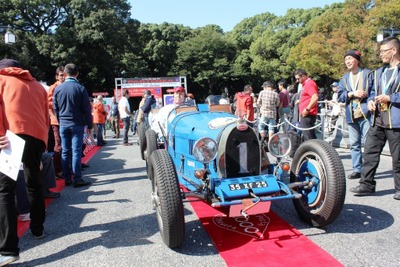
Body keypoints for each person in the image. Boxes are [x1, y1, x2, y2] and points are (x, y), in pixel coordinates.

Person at [0, 59, 50, 265]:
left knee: (5, 189)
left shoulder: (1, 79)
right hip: (37, 137)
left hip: (12, 135)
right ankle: (37, 229)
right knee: (35, 182)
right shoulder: (38, 86)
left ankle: (8, 249)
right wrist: (43, 146)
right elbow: (45, 117)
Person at [350, 37, 400, 200]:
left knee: (398, 157)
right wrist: (370, 101)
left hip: (395, 121)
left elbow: (390, 95)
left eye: (383, 51)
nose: (380, 55)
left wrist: (391, 97)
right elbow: (371, 92)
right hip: (377, 119)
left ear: (393, 51)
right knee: (370, 153)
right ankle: (366, 184)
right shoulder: (379, 72)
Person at [53, 63, 92, 188]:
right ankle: (77, 178)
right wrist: (90, 125)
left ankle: (67, 178)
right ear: (77, 73)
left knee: (65, 151)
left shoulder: (58, 89)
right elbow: (87, 109)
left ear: (64, 74)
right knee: (76, 151)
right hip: (77, 124)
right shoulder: (80, 88)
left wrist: (60, 120)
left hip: (63, 123)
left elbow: (55, 107)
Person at [337, 49, 371, 179]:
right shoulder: (345, 78)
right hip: (351, 115)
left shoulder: (368, 74)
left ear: (356, 60)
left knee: (368, 144)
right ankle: (357, 169)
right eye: (346, 60)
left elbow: (374, 90)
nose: (348, 62)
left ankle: (367, 171)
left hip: (366, 114)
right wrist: (352, 93)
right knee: (354, 144)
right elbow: (340, 96)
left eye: (350, 59)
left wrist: (369, 99)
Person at [47, 66, 65, 178]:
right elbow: (49, 103)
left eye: (65, 75)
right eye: (61, 75)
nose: (63, 77)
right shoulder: (53, 88)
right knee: (58, 145)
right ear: (57, 76)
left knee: (66, 146)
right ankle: (57, 170)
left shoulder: (66, 86)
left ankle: (66, 167)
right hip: (56, 121)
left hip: (66, 120)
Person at [295, 69, 319, 140]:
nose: (297, 81)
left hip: (308, 114)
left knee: (308, 137)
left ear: (303, 76)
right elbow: (309, 97)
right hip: (307, 114)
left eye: (298, 78)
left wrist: (307, 109)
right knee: (309, 135)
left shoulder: (309, 84)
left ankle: (312, 150)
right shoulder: (306, 84)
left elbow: (315, 97)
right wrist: (301, 101)